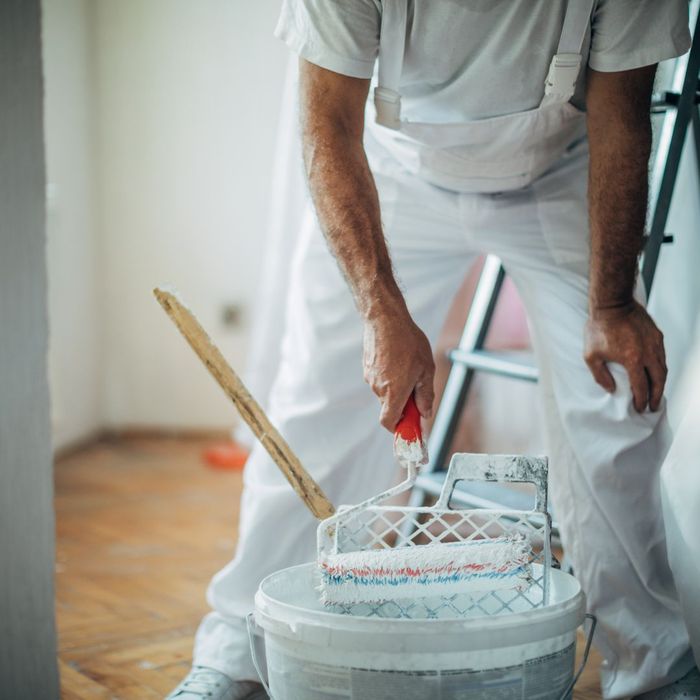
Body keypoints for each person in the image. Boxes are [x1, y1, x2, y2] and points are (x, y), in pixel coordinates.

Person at [168, 2, 699, 699]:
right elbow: (327, 123)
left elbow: (622, 117)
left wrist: (610, 306)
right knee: (315, 406)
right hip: (392, 179)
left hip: (558, 172)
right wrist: (379, 308)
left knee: (614, 406)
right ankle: (236, 651)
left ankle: (653, 665)